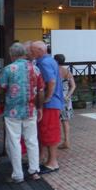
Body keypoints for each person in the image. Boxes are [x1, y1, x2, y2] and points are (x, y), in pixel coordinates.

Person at [0, 42, 44, 183]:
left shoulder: (8, 69)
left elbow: (1, 89)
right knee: (32, 141)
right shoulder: (35, 69)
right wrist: (40, 107)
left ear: (11, 54)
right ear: (24, 53)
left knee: (14, 142)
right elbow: (41, 90)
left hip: (12, 111)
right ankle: (34, 171)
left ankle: (18, 175)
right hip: (30, 110)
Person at [31, 41, 64, 173]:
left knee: (49, 131)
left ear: (40, 50)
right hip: (53, 103)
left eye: (32, 50)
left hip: (51, 104)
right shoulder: (50, 60)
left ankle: (52, 162)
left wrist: (47, 98)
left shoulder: (44, 62)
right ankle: (47, 159)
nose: (31, 53)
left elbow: (51, 81)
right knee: (48, 131)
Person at [53, 54, 76, 150]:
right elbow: (73, 86)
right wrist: (68, 96)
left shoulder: (53, 71)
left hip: (55, 98)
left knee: (54, 121)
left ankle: (54, 142)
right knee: (65, 121)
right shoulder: (67, 72)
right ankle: (67, 141)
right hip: (66, 99)